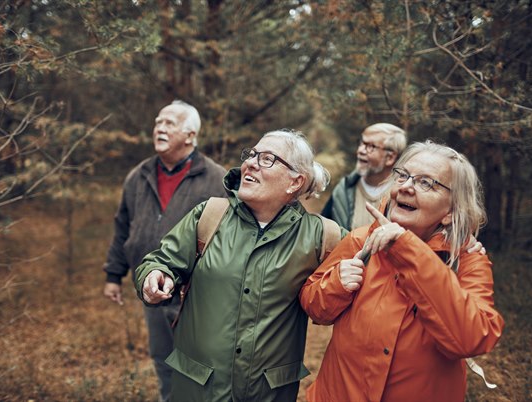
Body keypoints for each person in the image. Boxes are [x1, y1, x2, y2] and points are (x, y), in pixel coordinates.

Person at [134, 130, 343, 402]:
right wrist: (154, 275)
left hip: (269, 393)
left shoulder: (322, 236)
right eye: (252, 154)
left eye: (267, 159)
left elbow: (373, 273)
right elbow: (161, 260)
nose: (252, 163)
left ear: (295, 182)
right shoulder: (209, 215)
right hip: (199, 389)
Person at [300, 140, 505, 402]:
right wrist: (337, 284)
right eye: (403, 176)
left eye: (426, 183)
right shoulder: (361, 241)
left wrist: (407, 251)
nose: (407, 186)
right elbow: (313, 306)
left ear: (450, 212)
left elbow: (473, 338)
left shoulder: (467, 261)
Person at [102, 100, 227, 402]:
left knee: (201, 366)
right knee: (163, 360)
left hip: (197, 294)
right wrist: (113, 274)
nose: (159, 127)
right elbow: (123, 227)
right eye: (158, 122)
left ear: (190, 135)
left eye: (169, 123)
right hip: (152, 289)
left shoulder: (216, 179)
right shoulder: (138, 176)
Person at [321, 123, 407, 230]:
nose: (360, 150)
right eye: (361, 143)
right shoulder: (345, 188)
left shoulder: (403, 194)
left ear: (390, 157)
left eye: (370, 146)